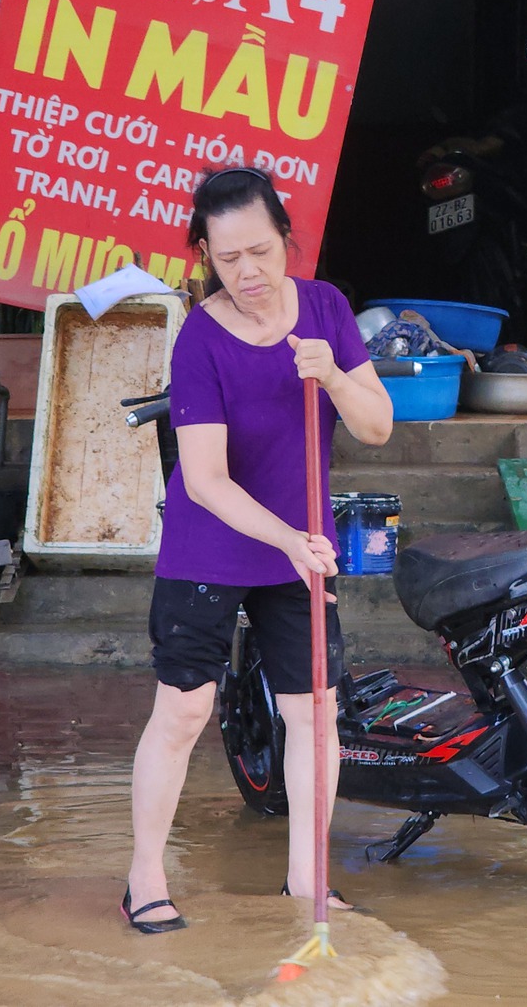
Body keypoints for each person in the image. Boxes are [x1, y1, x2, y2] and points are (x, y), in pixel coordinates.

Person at [122, 166, 393, 933]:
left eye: (262, 252)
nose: (248, 273)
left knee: (315, 712)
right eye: (228, 257)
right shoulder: (200, 341)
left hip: (299, 546)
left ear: (286, 240)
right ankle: (145, 874)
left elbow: (378, 425)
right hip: (214, 545)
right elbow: (204, 480)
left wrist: (334, 374)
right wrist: (291, 542)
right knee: (184, 709)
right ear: (204, 253)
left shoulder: (327, 309)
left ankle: (307, 878)